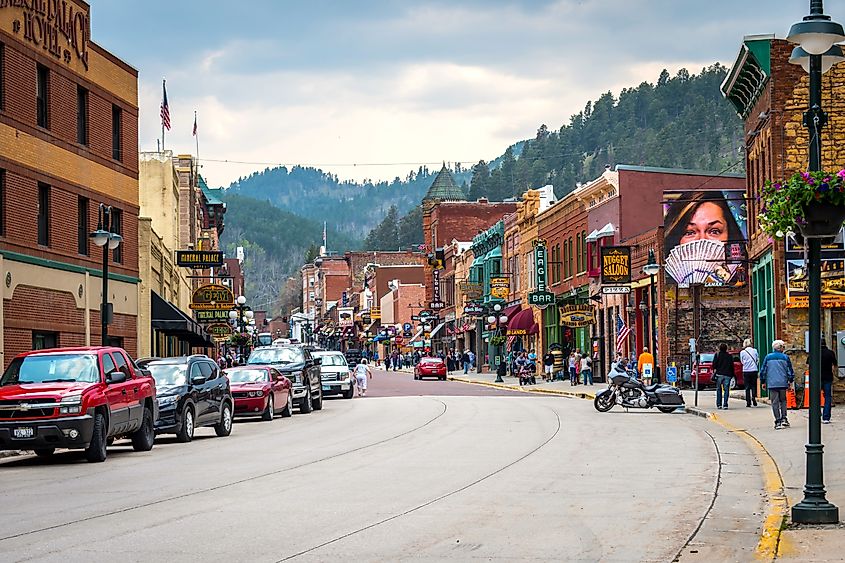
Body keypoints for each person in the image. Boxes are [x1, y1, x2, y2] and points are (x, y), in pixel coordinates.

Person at [760, 340, 795, 429]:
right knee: (783, 401)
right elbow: (789, 371)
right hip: (783, 382)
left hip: (772, 383)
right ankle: (784, 418)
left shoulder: (768, 357)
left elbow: (763, 370)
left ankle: (777, 421)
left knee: (774, 402)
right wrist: (790, 380)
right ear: (781, 348)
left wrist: (763, 381)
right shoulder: (785, 357)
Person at [712, 343, 734, 410]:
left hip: (719, 374)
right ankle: (725, 404)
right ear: (726, 348)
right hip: (727, 374)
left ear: (719, 348)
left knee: (719, 389)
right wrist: (732, 374)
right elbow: (731, 366)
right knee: (726, 389)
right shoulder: (729, 356)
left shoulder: (717, 355)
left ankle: (719, 404)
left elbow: (714, 365)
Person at [821, 338, 837, 424]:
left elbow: (808, 364)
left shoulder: (814, 352)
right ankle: (826, 417)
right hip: (828, 377)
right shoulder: (830, 353)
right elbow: (835, 364)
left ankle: (816, 415)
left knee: (815, 398)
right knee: (827, 397)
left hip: (816, 378)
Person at [740, 338, 759, 407]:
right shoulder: (755, 351)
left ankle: (748, 402)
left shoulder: (742, 352)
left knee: (747, 387)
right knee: (754, 385)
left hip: (746, 370)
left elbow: (742, 361)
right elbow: (757, 359)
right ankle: (753, 397)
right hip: (754, 370)